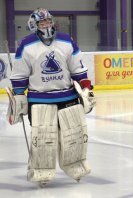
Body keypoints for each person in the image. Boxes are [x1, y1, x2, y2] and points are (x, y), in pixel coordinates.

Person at [7, 8, 96, 187]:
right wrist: (19, 96)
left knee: (75, 135)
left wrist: (86, 86)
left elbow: (77, 67)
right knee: (43, 138)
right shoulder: (26, 45)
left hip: (67, 96)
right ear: (34, 25)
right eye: (42, 23)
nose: (46, 25)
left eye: (48, 21)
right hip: (39, 98)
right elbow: (20, 74)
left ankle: (76, 166)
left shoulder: (66, 40)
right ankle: (42, 172)